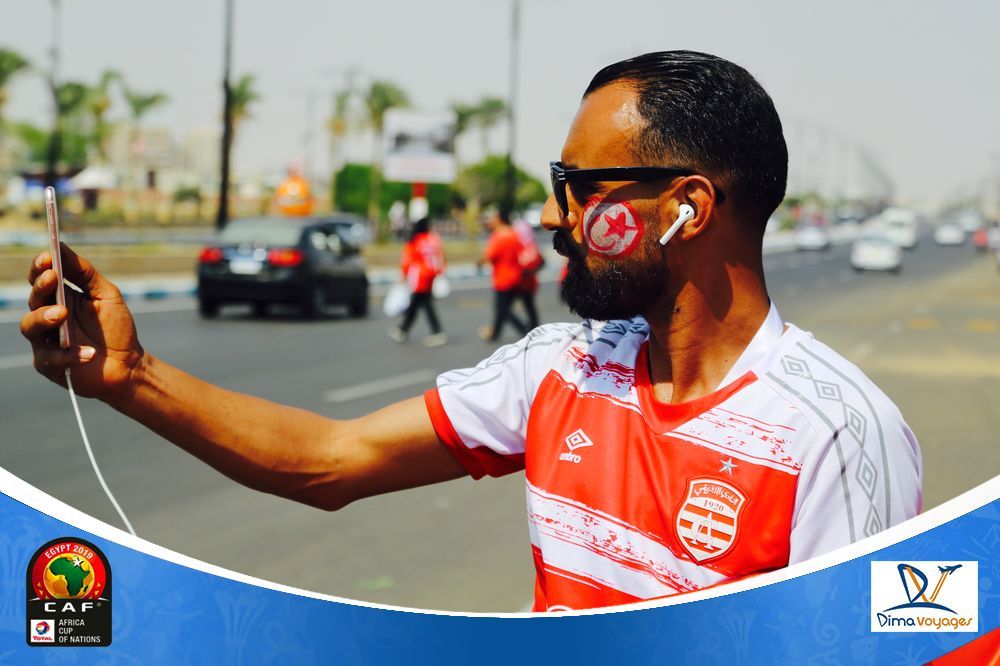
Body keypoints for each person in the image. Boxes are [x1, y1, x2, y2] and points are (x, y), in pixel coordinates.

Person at [21, 51, 921, 612]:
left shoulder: (838, 434)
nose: (554, 216)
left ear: (687, 207)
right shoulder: (560, 368)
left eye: (580, 186)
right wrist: (130, 375)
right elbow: (328, 460)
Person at [390, 217, 447, 347]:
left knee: (422, 303)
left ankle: (436, 331)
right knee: (419, 303)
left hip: (420, 277)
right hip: (431, 275)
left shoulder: (415, 240)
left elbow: (407, 260)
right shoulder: (434, 239)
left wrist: (403, 276)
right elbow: (441, 256)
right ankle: (403, 329)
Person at [477, 211, 528, 342]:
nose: (491, 221)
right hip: (516, 275)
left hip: (503, 278)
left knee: (503, 309)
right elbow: (522, 252)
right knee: (502, 307)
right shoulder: (513, 233)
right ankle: (495, 333)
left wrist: (479, 263)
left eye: (493, 218)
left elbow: (489, 255)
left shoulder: (498, 236)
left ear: (499, 219)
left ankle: (525, 330)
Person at [512, 216, 543, 330]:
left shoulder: (522, 246)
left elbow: (540, 262)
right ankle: (533, 327)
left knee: (526, 305)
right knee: (529, 306)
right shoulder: (532, 245)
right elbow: (542, 262)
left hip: (522, 282)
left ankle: (529, 328)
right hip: (529, 282)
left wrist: (528, 272)